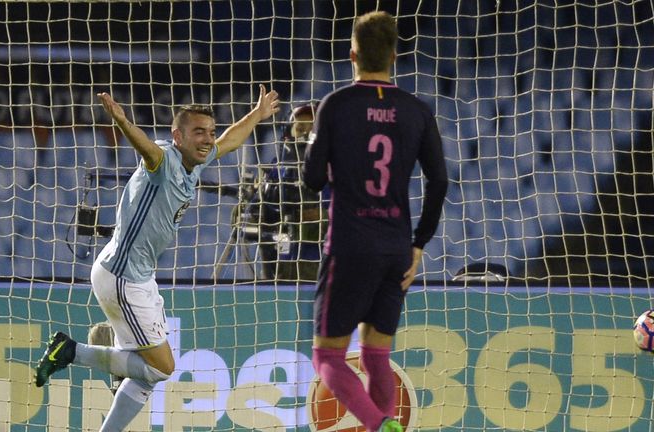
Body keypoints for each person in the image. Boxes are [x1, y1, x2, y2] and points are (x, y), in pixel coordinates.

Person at [34, 85, 280, 431]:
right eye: (198, 132)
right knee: (162, 367)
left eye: (209, 132)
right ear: (177, 135)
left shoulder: (196, 159)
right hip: (123, 277)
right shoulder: (165, 160)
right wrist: (122, 121)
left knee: (145, 375)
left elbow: (230, 140)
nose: (208, 139)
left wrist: (257, 115)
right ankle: (72, 351)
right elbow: (148, 150)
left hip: (134, 274)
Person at [302, 11, 448, 432]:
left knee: (328, 357)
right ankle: (381, 424)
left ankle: (379, 425)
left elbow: (312, 181)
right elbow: (438, 181)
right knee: (375, 355)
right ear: (395, 56)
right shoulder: (416, 110)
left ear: (352, 55)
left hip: (349, 244)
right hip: (396, 248)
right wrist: (418, 244)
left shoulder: (336, 105)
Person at [245, 103, 329, 281]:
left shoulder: (335, 171)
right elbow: (254, 216)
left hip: (323, 268)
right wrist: (253, 212)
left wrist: (317, 215)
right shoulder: (277, 171)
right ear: (288, 133)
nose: (306, 133)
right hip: (280, 267)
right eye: (300, 128)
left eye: (312, 128)